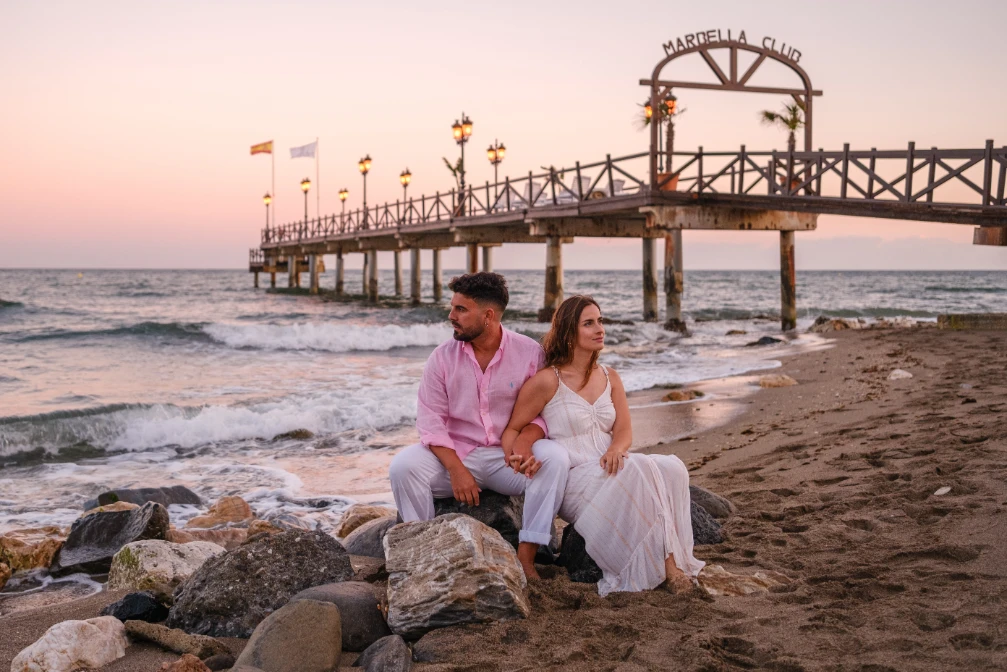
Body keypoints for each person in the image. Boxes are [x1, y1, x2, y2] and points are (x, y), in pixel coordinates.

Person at [502, 295, 705, 595]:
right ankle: (671, 570)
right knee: (641, 467)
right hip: (576, 477)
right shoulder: (547, 381)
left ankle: (667, 558)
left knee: (672, 467)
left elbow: (623, 429)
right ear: (570, 332)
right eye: (589, 323)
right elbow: (514, 428)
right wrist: (518, 457)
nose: (600, 329)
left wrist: (616, 449)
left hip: (611, 464)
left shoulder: (610, 376)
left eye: (600, 321)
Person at [389, 272, 569, 579]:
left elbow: (544, 412)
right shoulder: (441, 358)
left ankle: (528, 554)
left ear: (488, 316)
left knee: (555, 459)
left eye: (461, 309)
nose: (451, 316)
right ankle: (425, 552)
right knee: (403, 467)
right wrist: (457, 470)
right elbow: (431, 422)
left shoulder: (529, 353)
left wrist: (524, 443)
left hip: (507, 458)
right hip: (456, 456)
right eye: (453, 307)